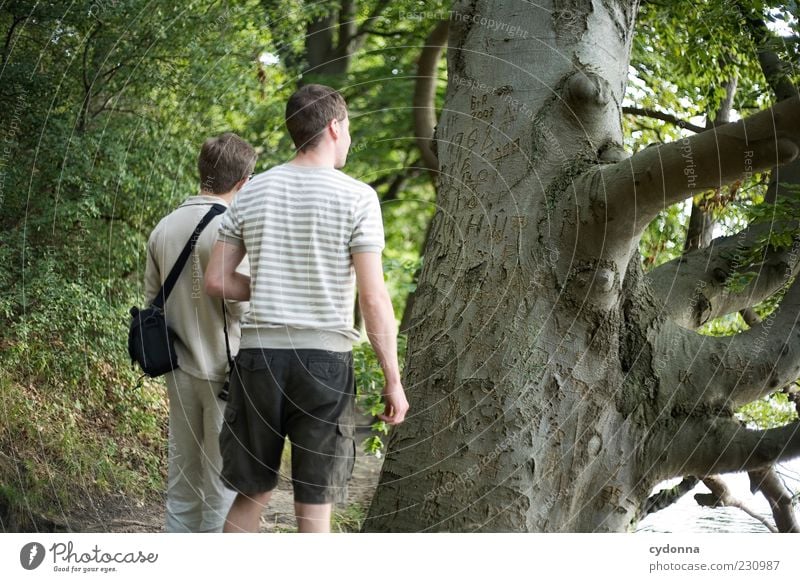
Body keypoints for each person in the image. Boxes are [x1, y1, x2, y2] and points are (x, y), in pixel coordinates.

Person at [205, 84, 409, 533]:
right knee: (314, 506)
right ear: (334, 127)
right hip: (324, 365)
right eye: (349, 128)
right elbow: (373, 297)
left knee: (250, 493)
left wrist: (274, 285)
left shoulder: (253, 191)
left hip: (258, 360)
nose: (350, 139)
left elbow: (217, 280)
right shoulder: (357, 197)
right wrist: (393, 379)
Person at [145, 132, 256, 532]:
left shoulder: (164, 227)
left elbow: (152, 303)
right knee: (222, 487)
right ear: (243, 181)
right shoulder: (233, 228)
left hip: (178, 370)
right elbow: (241, 305)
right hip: (227, 375)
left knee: (182, 483)